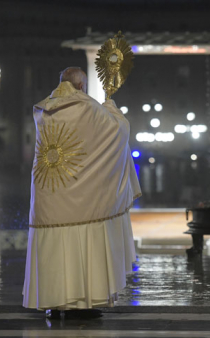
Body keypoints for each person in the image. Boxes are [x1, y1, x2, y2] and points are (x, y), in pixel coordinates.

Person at [22, 67, 141, 319]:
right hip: (82, 199)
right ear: (80, 86)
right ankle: (81, 305)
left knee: (53, 250)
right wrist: (110, 106)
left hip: (48, 195)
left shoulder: (42, 110)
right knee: (82, 246)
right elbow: (117, 131)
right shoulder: (87, 107)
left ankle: (53, 304)